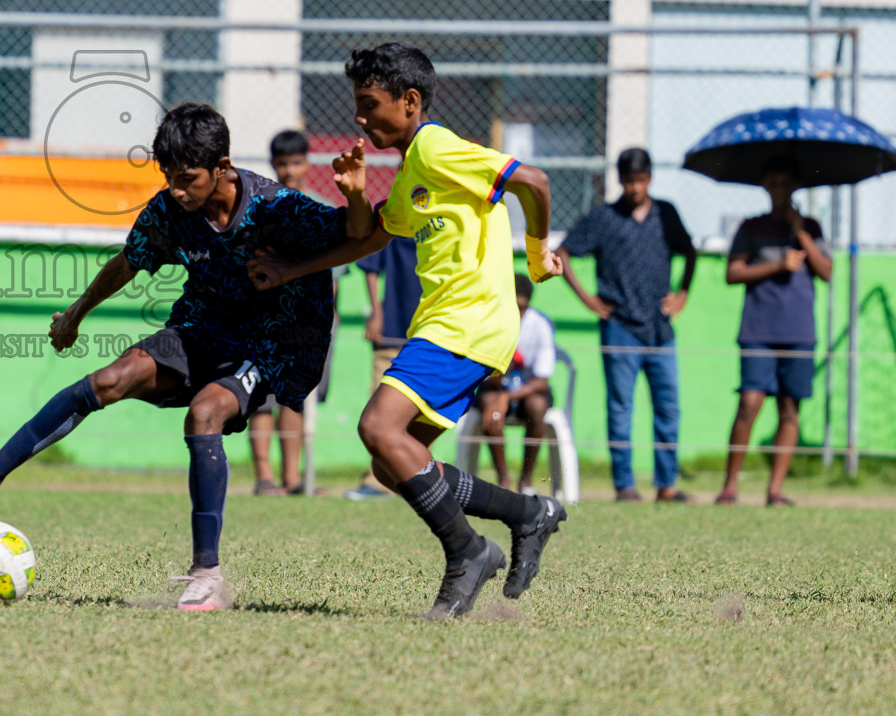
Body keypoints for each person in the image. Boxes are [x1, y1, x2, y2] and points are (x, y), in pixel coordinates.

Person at [0, 104, 368, 610]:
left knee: (205, 414)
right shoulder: (170, 211)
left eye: (187, 179)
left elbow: (356, 232)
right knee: (110, 379)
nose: (176, 190)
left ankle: (208, 575)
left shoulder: (276, 207)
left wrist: (354, 195)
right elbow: (128, 262)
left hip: (271, 342)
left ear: (221, 167)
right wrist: (76, 314)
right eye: (168, 177)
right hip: (200, 327)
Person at [250, 42, 568, 620]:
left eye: (370, 105)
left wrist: (537, 252)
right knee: (394, 460)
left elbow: (536, 183)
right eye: (357, 105)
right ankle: (527, 514)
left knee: (378, 425)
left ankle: (467, 552)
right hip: (452, 325)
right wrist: (306, 252)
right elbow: (369, 236)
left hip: (467, 322)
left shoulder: (437, 147)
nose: (360, 118)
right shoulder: (412, 170)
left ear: (410, 100)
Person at [557, 147, 697, 503]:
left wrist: (682, 294)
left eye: (641, 180)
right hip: (619, 325)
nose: (635, 187)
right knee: (621, 408)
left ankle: (666, 485)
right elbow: (563, 253)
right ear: (620, 180)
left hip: (660, 328)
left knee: (669, 407)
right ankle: (625, 487)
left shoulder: (665, 214)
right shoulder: (604, 218)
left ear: (650, 178)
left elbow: (690, 251)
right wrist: (588, 300)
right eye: (629, 180)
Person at [716, 158, 833, 507]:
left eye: (786, 183)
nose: (780, 189)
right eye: (774, 182)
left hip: (799, 331)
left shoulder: (811, 226)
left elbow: (826, 271)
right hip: (758, 330)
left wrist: (800, 233)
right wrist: (776, 265)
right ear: (765, 186)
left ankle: (775, 490)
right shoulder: (751, 227)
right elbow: (733, 273)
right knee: (750, 403)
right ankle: (730, 486)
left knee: (789, 409)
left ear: (795, 187)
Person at [248, 129, 338, 496]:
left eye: (296, 162)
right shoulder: (259, 209)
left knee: (295, 397)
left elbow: (334, 276)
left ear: (308, 162)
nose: (289, 170)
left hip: (308, 324)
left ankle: (293, 479)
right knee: (259, 399)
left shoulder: (321, 210)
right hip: (265, 320)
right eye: (282, 163)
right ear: (273, 165)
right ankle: (265, 478)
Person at [344, 236, 420, 501]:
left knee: (423, 414)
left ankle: (418, 479)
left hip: (432, 335)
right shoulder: (397, 211)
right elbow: (372, 265)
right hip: (391, 334)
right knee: (379, 412)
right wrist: (376, 312)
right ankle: (376, 480)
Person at [474, 274, 557, 493]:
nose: (517, 313)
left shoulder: (540, 325)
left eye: (522, 307)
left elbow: (541, 381)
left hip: (526, 394)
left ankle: (526, 481)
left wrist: (507, 396)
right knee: (490, 404)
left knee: (537, 406)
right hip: (496, 389)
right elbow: (481, 375)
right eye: (512, 306)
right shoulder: (490, 324)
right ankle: (504, 481)